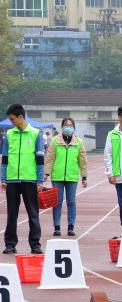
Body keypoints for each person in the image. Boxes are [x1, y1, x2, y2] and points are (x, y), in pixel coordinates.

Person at [2, 104, 45, 255]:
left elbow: (40, 159)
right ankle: (10, 244)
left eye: (12, 119)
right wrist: (3, 178)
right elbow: (5, 158)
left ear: (20, 117)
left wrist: (40, 180)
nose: (11, 122)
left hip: (30, 180)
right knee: (12, 214)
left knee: (33, 214)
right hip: (12, 180)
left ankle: (35, 244)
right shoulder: (9, 134)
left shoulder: (35, 133)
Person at [44, 117, 88, 237]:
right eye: (66, 125)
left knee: (71, 202)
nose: (68, 127)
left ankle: (71, 227)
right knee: (57, 202)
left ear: (74, 128)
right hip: (57, 176)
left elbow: (83, 161)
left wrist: (84, 177)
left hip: (72, 177)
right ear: (62, 127)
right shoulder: (55, 141)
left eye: (70, 125)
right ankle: (57, 227)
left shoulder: (78, 142)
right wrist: (46, 173)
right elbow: (49, 159)